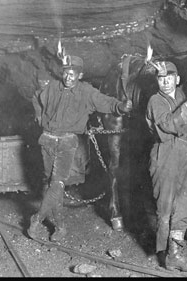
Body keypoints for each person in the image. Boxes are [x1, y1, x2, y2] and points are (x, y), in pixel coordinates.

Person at [27, 54, 132, 242]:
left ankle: (36, 219)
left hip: (67, 142)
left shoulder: (87, 92)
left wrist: (121, 107)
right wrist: (39, 116)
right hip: (47, 140)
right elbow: (36, 97)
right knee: (51, 184)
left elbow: (106, 102)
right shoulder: (52, 87)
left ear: (80, 75)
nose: (68, 76)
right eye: (66, 72)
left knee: (57, 183)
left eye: (73, 73)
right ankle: (60, 227)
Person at [145, 60, 187, 272]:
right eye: (161, 78)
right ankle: (167, 255)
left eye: (170, 78)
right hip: (166, 154)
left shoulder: (180, 93)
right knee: (165, 206)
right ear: (157, 81)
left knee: (186, 202)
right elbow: (168, 124)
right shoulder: (154, 101)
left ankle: (175, 250)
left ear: (177, 79)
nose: (166, 82)